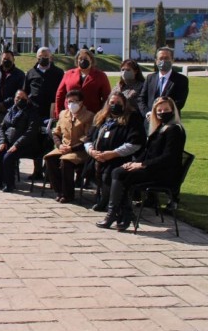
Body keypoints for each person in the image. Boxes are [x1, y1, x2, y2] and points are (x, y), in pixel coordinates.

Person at [97, 96, 186, 231]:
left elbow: (168, 157)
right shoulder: (160, 128)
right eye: (159, 110)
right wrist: (133, 163)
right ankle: (124, 214)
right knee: (119, 171)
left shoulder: (175, 130)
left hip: (163, 173)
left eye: (166, 109)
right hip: (152, 168)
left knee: (120, 175)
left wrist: (142, 165)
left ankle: (115, 214)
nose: (162, 113)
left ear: (173, 111)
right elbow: (148, 152)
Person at [82, 91, 146, 212]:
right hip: (98, 156)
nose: (114, 105)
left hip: (121, 157)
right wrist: (91, 151)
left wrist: (113, 153)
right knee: (93, 169)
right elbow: (88, 138)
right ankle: (102, 197)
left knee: (109, 173)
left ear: (124, 104)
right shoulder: (101, 117)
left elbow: (136, 143)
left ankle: (107, 201)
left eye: (118, 102)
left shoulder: (132, 118)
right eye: (112, 102)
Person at [43, 89, 95, 204]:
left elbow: (88, 137)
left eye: (75, 101)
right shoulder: (63, 114)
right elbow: (56, 132)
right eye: (69, 101)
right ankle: (59, 191)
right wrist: (59, 145)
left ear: (81, 102)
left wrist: (72, 148)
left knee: (65, 162)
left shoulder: (89, 116)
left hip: (79, 150)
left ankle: (68, 194)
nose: (72, 104)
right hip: (63, 147)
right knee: (49, 158)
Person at [23, 46, 65, 180]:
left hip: (51, 113)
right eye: (41, 56)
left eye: (46, 56)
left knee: (49, 141)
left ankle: (48, 171)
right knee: (36, 141)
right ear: (37, 57)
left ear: (51, 57)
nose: (44, 58)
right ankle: (37, 170)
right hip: (35, 113)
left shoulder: (58, 72)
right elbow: (25, 92)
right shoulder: (31, 73)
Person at [0, 89, 40, 193]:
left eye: (22, 98)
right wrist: (2, 141)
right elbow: (1, 128)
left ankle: (10, 184)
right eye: (17, 98)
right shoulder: (11, 110)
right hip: (8, 142)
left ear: (27, 99)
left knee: (8, 157)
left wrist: (17, 144)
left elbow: (31, 132)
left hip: (25, 144)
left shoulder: (32, 111)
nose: (19, 100)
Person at [54, 48, 112, 117]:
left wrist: (104, 115)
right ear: (77, 60)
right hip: (70, 115)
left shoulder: (101, 75)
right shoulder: (68, 74)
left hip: (92, 115)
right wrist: (58, 114)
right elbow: (60, 95)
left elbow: (107, 97)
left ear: (91, 60)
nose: (83, 60)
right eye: (80, 58)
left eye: (85, 58)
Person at [140, 46, 189, 117]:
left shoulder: (181, 79)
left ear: (172, 60)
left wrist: (163, 113)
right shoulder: (150, 78)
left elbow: (180, 101)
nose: (163, 61)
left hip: (170, 120)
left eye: (166, 58)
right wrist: (147, 113)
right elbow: (141, 98)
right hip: (150, 120)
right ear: (156, 61)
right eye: (161, 58)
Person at [0, 50, 26, 126]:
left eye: (8, 58)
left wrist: (5, 104)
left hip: (13, 110)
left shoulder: (20, 74)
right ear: (1, 60)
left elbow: (21, 91)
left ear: (13, 59)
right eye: (4, 58)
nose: (6, 60)